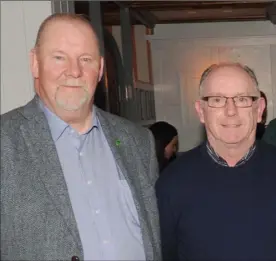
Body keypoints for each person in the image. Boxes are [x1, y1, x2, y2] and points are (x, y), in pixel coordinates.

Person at [1, 13, 161, 261]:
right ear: (35, 63)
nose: (74, 71)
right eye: (59, 58)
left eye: (85, 59)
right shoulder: (6, 141)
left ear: (100, 69)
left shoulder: (137, 141)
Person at [156, 63, 276, 261]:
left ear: (259, 109)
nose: (231, 111)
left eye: (242, 99)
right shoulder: (171, 183)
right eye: (217, 100)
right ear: (201, 111)